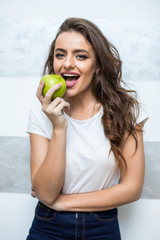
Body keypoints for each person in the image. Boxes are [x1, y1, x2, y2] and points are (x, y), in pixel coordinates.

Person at [26, 17, 148, 240]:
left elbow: (132, 188)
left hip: (102, 226)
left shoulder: (125, 112)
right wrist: (59, 127)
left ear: (98, 65)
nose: (67, 64)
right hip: (48, 226)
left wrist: (62, 203)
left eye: (80, 56)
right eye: (60, 54)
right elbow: (45, 192)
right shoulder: (41, 114)